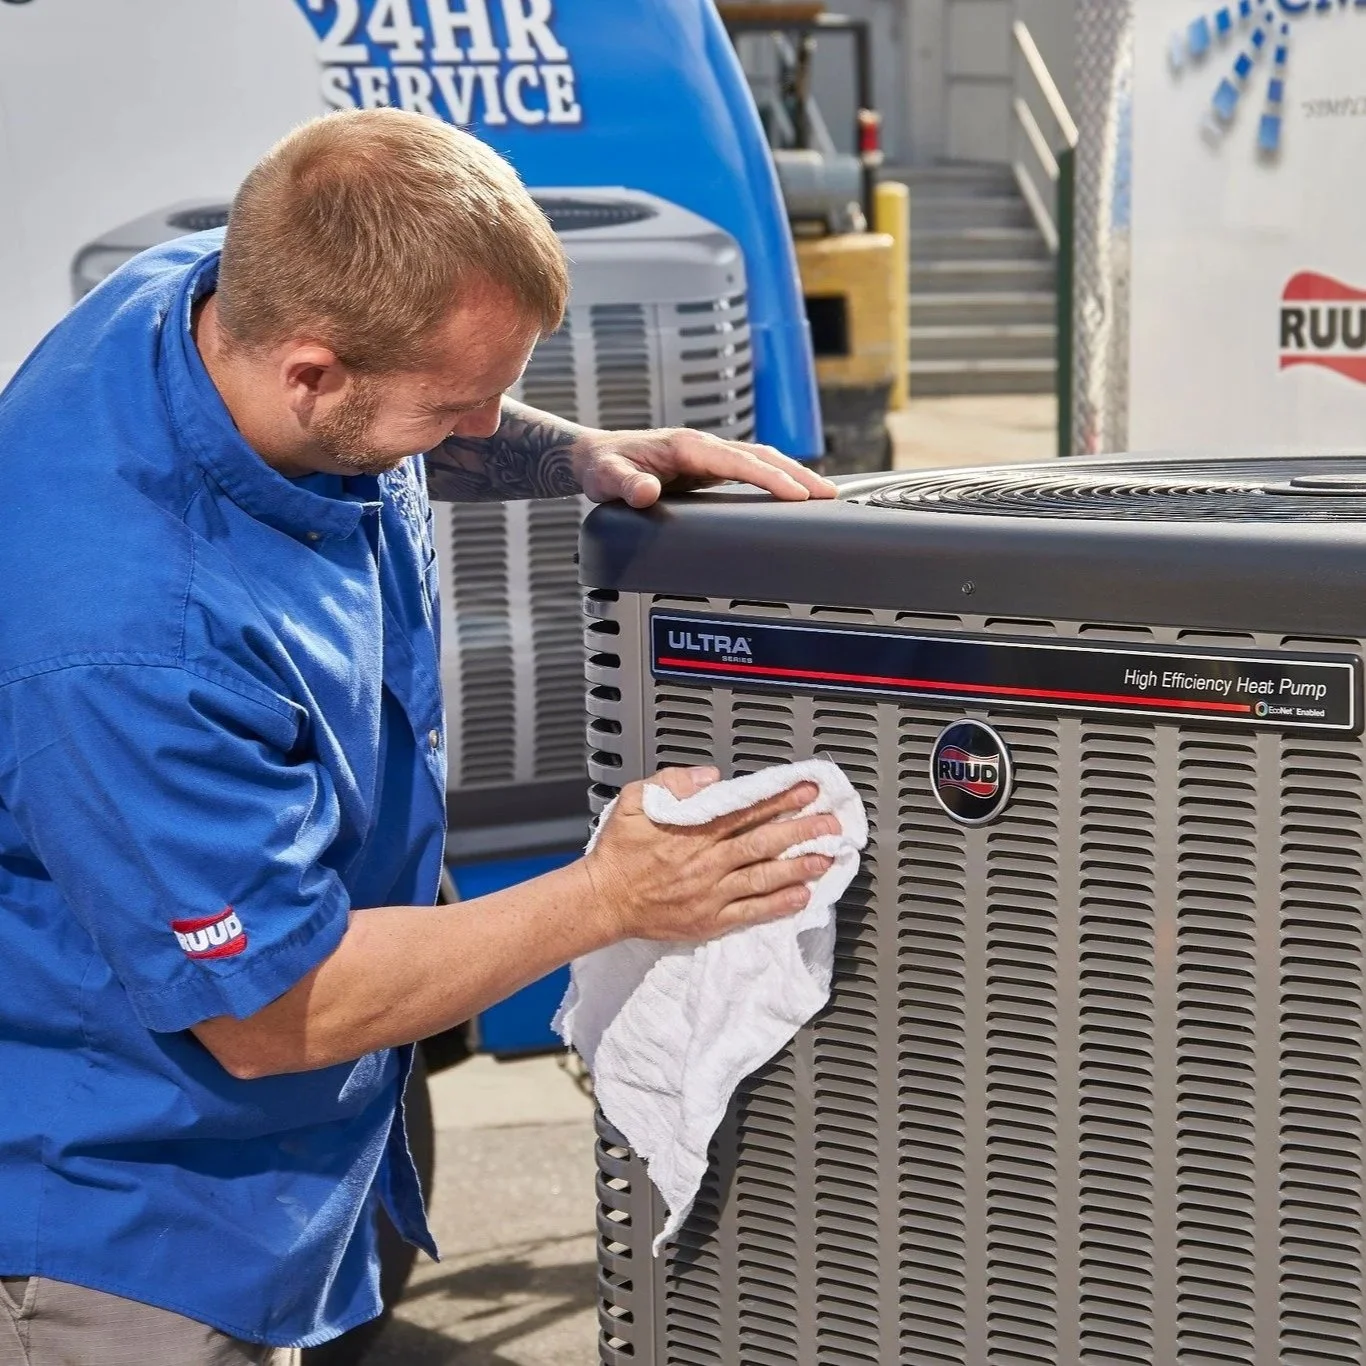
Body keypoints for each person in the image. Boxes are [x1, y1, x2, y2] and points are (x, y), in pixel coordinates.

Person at [0, 108, 839, 1364]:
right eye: (455, 407)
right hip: (133, 1225)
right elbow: (275, 1009)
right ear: (311, 373)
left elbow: (423, 424)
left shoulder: (206, 299)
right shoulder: (129, 636)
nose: (480, 425)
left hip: (303, 1160)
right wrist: (610, 897)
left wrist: (573, 455)